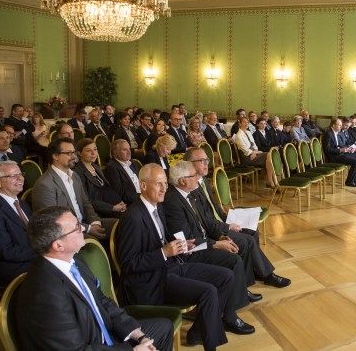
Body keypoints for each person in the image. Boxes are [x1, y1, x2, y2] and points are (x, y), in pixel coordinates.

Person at [115, 164, 247, 349]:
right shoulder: (133, 217)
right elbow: (128, 264)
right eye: (158, 184)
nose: (164, 189)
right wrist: (164, 253)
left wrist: (184, 244)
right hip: (151, 281)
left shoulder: (158, 207)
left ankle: (198, 332)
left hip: (170, 266)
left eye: (165, 183)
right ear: (143, 186)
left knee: (226, 276)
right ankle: (210, 345)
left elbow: (163, 239)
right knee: (208, 291)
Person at [17, 206, 172, 350]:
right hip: (90, 345)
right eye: (77, 227)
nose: (83, 228)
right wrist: (132, 350)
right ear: (58, 246)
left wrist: (138, 335)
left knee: (163, 327)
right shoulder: (44, 294)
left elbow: (102, 301)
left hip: (103, 335)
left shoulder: (75, 260)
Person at [184, 147, 290, 288]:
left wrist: (229, 216)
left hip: (220, 221)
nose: (206, 164)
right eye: (201, 161)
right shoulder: (190, 188)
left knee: (253, 232)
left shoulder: (204, 181)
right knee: (248, 241)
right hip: (214, 230)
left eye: (207, 160)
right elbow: (206, 221)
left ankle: (257, 269)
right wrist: (227, 226)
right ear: (189, 164)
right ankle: (266, 276)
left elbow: (215, 207)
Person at [163, 160, 261, 306]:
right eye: (194, 175)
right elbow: (188, 240)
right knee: (234, 260)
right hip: (192, 251)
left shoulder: (189, 193)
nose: (198, 177)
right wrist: (216, 244)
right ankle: (234, 304)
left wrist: (220, 236)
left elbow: (205, 222)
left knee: (237, 247)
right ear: (183, 181)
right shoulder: (172, 202)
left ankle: (240, 292)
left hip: (204, 240)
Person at [32, 138, 112, 240]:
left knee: (120, 224)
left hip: (85, 223)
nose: (74, 156)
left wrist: (94, 222)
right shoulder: (45, 184)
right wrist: (88, 229)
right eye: (69, 153)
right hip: (66, 232)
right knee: (92, 240)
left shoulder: (74, 175)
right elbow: (54, 220)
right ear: (55, 156)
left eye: (74, 152)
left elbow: (86, 203)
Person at [72, 138, 127, 218]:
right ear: (79, 153)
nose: (93, 153)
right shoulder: (77, 172)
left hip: (113, 204)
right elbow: (87, 200)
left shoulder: (95, 167)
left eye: (95, 149)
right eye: (88, 151)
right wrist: (112, 208)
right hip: (99, 211)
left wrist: (120, 202)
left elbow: (107, 188)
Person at [323, 118, 356, 187]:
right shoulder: (329, 134)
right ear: (333, 125)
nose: (341, 127)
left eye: (341, 125)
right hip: (333, 157)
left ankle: (355, 180)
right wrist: (340, 150)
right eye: (339, 125)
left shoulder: (336, 133)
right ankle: (349, 181)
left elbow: (339, 144)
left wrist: (347, 149)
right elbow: (327, 149)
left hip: (340, 154)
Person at [104, 139, 142, 206]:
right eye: (124, 150)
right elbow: (120, 194)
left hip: (143, 196)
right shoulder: (111, 168)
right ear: (115, 152)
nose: (129, 152)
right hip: (132, 203)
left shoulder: (133, 163)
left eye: (129, 149)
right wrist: (142, 197)